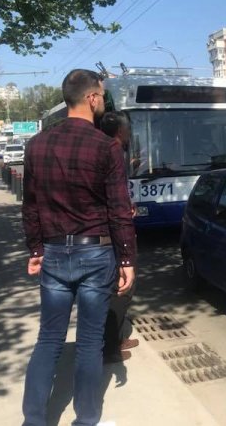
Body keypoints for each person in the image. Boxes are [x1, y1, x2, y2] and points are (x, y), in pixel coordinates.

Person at [21, 70, 136, 426]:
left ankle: (34, 421)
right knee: (89, 343)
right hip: (95, 253)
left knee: (48, 340)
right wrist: (127, 258)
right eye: (101, 94)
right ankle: (86, 420)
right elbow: (119, 207)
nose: (102, 100)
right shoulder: (107, 147)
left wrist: (35, 249)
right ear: (90, 98)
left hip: (54, 254)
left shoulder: (36, 145)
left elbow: (30, 205)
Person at [99, 111, 139, 363]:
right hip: (113, 233)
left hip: (109, 228)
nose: (130, 133)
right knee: (122, 289)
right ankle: (110, 348)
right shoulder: (112, 150)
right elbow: (112, 196)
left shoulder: (109, 149)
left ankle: (116, 338)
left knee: (120, 290)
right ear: (121, 131)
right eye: (128, 128)